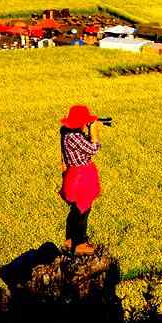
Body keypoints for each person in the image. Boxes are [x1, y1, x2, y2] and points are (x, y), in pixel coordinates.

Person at [59, 105, 103, 256]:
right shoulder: (75, 137)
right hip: (82, 177)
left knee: (76, 210)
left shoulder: (67, 134)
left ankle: (70, 240)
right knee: (83, 210)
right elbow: (94, 149)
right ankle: (79, 243)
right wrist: (94, 131)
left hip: (74, 175)